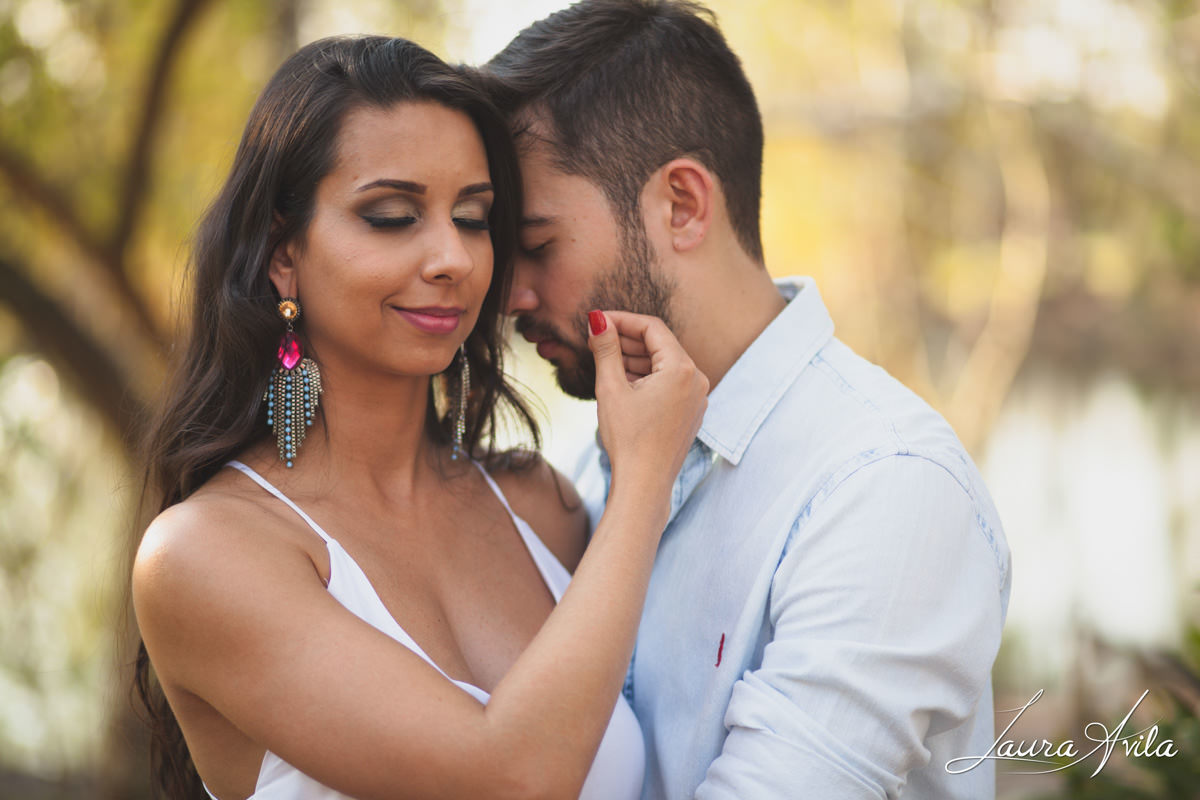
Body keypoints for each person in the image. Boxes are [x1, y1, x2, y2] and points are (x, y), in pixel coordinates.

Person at [130, 35, 707, 800]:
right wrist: (643, 479)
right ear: (282, 255)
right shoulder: (205, 555)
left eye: (473, 217)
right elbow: (509, 780)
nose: (453, 259)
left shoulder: (541, 507)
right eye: (393, 216)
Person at [484, 1, 1013, 798]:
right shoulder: (599, 463)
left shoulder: (885, 488)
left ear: (683, 206)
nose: (508, 296)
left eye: (535, 245)